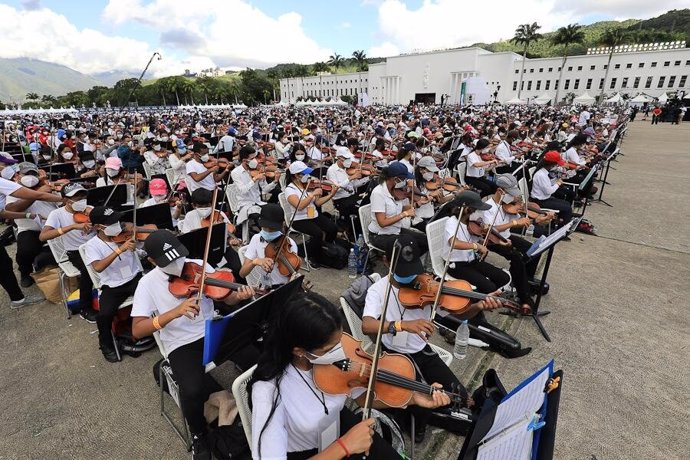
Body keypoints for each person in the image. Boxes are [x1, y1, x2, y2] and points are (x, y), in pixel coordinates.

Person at [249, 290, 450, 459]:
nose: (341, 352)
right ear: (299, 351)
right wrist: (345, 446)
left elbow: (362, 397)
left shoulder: (336, 357)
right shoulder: (268, 392)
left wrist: (411, 398)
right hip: (311, 452)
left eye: (339, 343)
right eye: (330, 348)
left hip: (339, 426)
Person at [362, 233, 501, 442]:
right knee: (421, 400)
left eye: (412, 270)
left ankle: (431, 416)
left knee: (461, 398)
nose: (410, 277)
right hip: (394, 354)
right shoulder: (378, 290)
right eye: (402, 270)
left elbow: (459, 314)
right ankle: (416, 422)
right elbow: (367, 325)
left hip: (422, 351)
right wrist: (402, 325)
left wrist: (478, 305)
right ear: (386, 261)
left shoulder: (428, 286)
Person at [131, 230, 254, 460]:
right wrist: (174, 312)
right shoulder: (146, 284)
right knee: (193, 389)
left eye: (179, 256)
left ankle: (257, 405)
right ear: (152, 261)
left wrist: (238, 297)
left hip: (213, 328)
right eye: (169, 260)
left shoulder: (198, 264)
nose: (179, 264)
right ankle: (199, 435)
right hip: (181, 343)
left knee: (254, 355)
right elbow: (137, 329)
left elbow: (225, 298)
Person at [81, 207, 143, 362]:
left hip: (135, 277)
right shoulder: (92, 245)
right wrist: (119, 250)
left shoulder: (125, 235)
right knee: (104, 315)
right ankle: (106, 344)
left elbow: (141, 250)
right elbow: (98, 267)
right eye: (110, 223)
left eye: (116, 221)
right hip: (114, 286)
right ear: (97, 227)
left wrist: (137, 246)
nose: (116, 225)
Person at [0, 166, 64, 308]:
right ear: (18, 176)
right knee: (26, 249)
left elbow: (62, 203)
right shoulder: (13, 189)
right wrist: (37, 194)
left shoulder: (45, 186)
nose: (30, 177)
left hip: (52, 226)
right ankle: (25, 272)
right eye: (26, 174)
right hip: (30, 228)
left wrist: (58, 193)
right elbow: (12, 209)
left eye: (33, 173)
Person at [40, 183, 99, 321]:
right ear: (66, 200)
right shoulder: (57, 214)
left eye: (83, 197)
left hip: (97, 246)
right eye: (76, 198)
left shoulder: (89, 210)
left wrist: (96, 216)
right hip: (76, 252)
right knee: (88, 270)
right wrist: (72, 227)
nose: (81, 201)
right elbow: (43, 236)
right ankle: (85, 307)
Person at [442, 191, 511, 295]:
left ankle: (484, 294)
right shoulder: (451, 222)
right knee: (489, 287)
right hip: (456, 265)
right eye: (474, 209)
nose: (476, 212)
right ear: (466, 209)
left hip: (471, 261)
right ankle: (481, 297)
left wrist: (497, 241)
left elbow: (477, 241)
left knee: (503, 278)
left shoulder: (470, 222)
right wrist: (476, 246)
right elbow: (454, 243)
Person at [284, 161, 339, 268]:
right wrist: (312, 194)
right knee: (317, 233)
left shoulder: (308, 186)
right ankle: (311, 256)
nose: (308, 176)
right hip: (299, 219)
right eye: (304, 174)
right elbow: (299, 206)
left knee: (332, 228)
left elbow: (317, 203)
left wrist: (331, 195)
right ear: (296, 175)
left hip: (312, 215)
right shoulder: (289, 190)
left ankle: (324, 247)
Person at [367, 161, 428, 256]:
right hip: (380, 235)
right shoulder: (378, 193)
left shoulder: (395, 190)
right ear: (396, 179)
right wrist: (404, 215)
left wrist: (417, 204)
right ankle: (398, 265)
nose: (405, 182)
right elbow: (382, 223)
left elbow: (399, 208)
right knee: (407, 247)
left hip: (395, 230)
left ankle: (407, 263)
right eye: (404, 179)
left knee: (424, 241)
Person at [239, 204, 299, 289]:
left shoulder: (290, 244)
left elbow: (291, 276)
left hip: (284, 287)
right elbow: (242, 273)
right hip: (266, 287)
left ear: (282, 225)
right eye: (265, 227)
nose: (269, 231)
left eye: (273, 228)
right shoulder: (256, 239)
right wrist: (255, 262)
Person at [230, 145, 280, 232]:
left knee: (277, 210)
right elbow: (242, 190)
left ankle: (277, 235)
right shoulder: (235, 173)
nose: (256, 161)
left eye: (255, 157)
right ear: (245, 160)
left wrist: (275, 181)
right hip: (245, 204)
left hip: (258, 202)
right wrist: (254, 179)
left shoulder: (257, 169)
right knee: (261, 218)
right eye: (253, 158)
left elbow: (265, 189)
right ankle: (264, 236)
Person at [326, 147, 367, 234]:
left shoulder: (347, 169)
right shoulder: (332, 170)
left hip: (351, 196)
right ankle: (354, 232)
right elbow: (336, 189)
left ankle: (361, 230)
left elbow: (354, 185)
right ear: (339, 158)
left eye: (349, 158)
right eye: (346, 158)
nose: (349, 161)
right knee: (357, 209)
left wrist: (368, 178)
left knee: (365, 203)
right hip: (340, 199)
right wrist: (351, 178)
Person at [530, 151, 573, 227]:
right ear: (551, 164)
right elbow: (549, 191)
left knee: (567, 203)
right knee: (567, 208)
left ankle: (556, 223)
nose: (557, 166)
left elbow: (547, 185)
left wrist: (556, 181)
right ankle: (562, 229)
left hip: (544, 199)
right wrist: (558, 183)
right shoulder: (541, 175)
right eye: (556, 164)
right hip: (540, 201)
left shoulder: (544, 172)